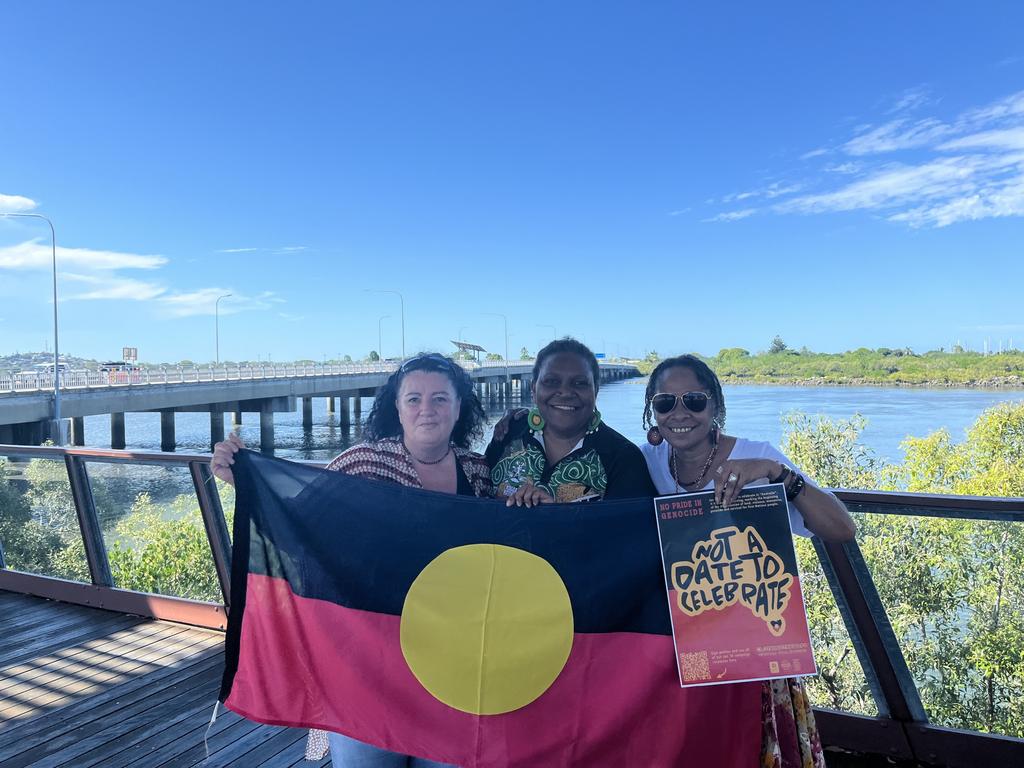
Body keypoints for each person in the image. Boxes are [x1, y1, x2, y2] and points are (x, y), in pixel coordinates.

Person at [212, 351, 492, 767]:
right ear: (396, 408)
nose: (427, 409)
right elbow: (299, 525)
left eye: (440, 398)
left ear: (458, 406)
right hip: (367, 668)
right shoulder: (363, 463)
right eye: (413, 399)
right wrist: (247, 484)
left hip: (452, 668)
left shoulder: (480, 471)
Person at [641, 354, 856, 768]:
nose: (679, 413)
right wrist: (522, 427)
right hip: (680, 650)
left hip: (752, 650)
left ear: (716, 406)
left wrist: (777, 474)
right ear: (652, 411)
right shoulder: (646, 460)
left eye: (694, 400)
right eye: (665, 403)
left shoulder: (758, 456)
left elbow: (841, 527)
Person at [486, 338, 655, 505]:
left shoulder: (622, 458)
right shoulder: (509, 432)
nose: (565, 392)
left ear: (595, 391)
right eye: (551, 381)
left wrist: (558, 516)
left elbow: (629, 530)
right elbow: (477, 498)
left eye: (580, 383)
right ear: (533, 389)